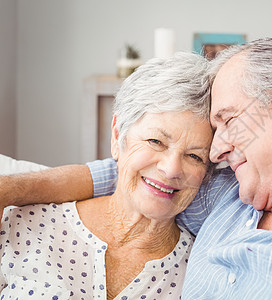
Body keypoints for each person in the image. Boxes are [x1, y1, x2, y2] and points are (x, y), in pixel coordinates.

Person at [1, 35, 272, 299]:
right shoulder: (228, 198)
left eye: (229, 121)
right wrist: (10, 190)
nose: (214, 152)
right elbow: (136, 171)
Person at [0, 52, 213, 299]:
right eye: (156, 141)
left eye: (195, 156)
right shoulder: (24, 223)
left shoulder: (202, 273)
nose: (172, 169)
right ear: (116, 136)